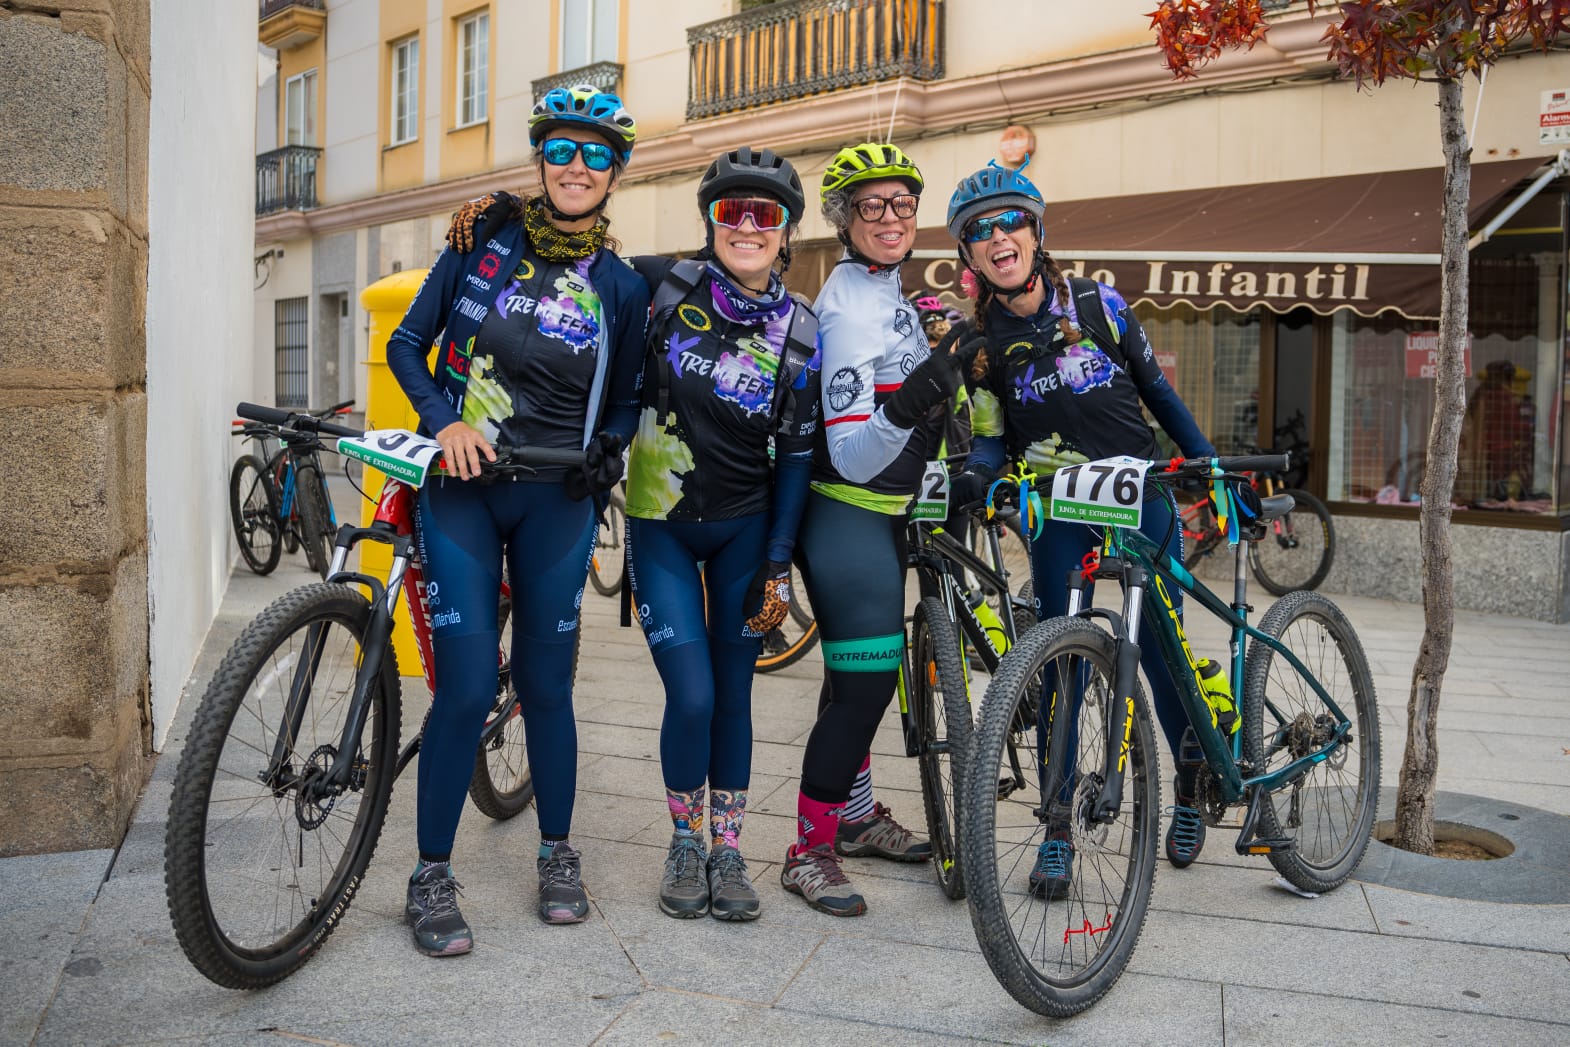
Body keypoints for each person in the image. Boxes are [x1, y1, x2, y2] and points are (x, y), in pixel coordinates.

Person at [388, 84, 650, 956]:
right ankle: (429, 873)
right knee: (463, 688)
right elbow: (404, 346)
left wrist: (609, 446)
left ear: (615, 173)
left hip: (556, 502)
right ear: (541, 160)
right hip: (463, 489)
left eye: (598, 154)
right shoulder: (480, 242)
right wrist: (443, 421)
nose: (578, 167)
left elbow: (626, 400)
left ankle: (558, 852)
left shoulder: (619, 285)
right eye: (563, 151)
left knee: (547, 690)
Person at [943, 161, 1218, 896]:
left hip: (1140, 496)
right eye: (980, 231)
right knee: (1061, 663)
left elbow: (1157, 391)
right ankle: (1058, 825)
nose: (999, 238)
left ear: (1036, 231)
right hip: (1061, 509)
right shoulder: (982, 348)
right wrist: (982, 474)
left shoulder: (1098, 304)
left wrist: (1208, 464)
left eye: (1011, 222)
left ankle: (1188, 782)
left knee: (1162, 656)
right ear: (968, 255)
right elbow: (996, 437)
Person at [621, 147, 822, 921]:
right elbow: (572, 242)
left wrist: (778, 561)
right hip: (660, 525)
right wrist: (497, 218)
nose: (746, 225)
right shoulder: (664, 285)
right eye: (731, 211)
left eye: (763, 214)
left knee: (734, 694)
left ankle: (729, 848)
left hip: (745, 534)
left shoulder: (799, 329)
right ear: (709, 222)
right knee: (694, 694)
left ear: (785, 232)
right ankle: (685, 839)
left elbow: (799, 456)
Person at [782, 142, 980, 917]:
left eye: (903, 203)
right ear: (844, 219)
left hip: (888, 515)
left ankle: (857, 816)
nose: (892, 217)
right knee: (866, 684)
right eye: (873, 205)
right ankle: (809, 849)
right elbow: (858, 453)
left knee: (849, 677)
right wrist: (922, 390)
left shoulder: (887, 289)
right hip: (847, 512)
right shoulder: (848, 302)